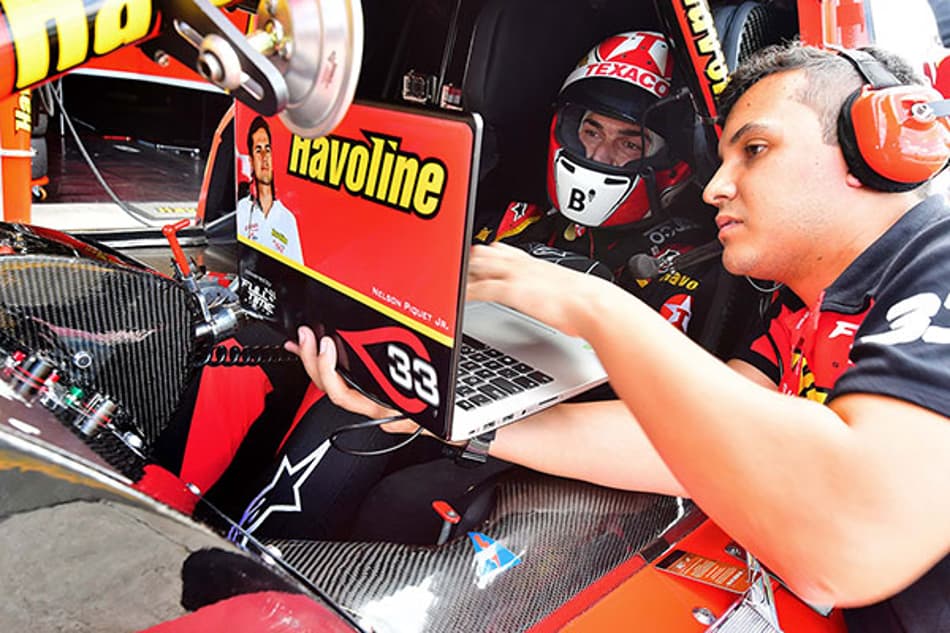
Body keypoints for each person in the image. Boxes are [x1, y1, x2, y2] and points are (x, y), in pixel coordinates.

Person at [297, 42, 950, 631]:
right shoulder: (799, 314)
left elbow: (850, 549)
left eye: (754, 150)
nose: (718, 186)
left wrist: (598, 308)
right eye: (721, 159)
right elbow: (683, 448)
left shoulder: (940, 258)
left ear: (880, 149)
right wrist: (448, 417)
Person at [236, 116, 304, 264]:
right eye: (258, 150)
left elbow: (298, 273)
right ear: (251, 162)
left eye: (268, 150)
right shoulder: (241, 210)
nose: (264, 157)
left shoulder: (288, 219)